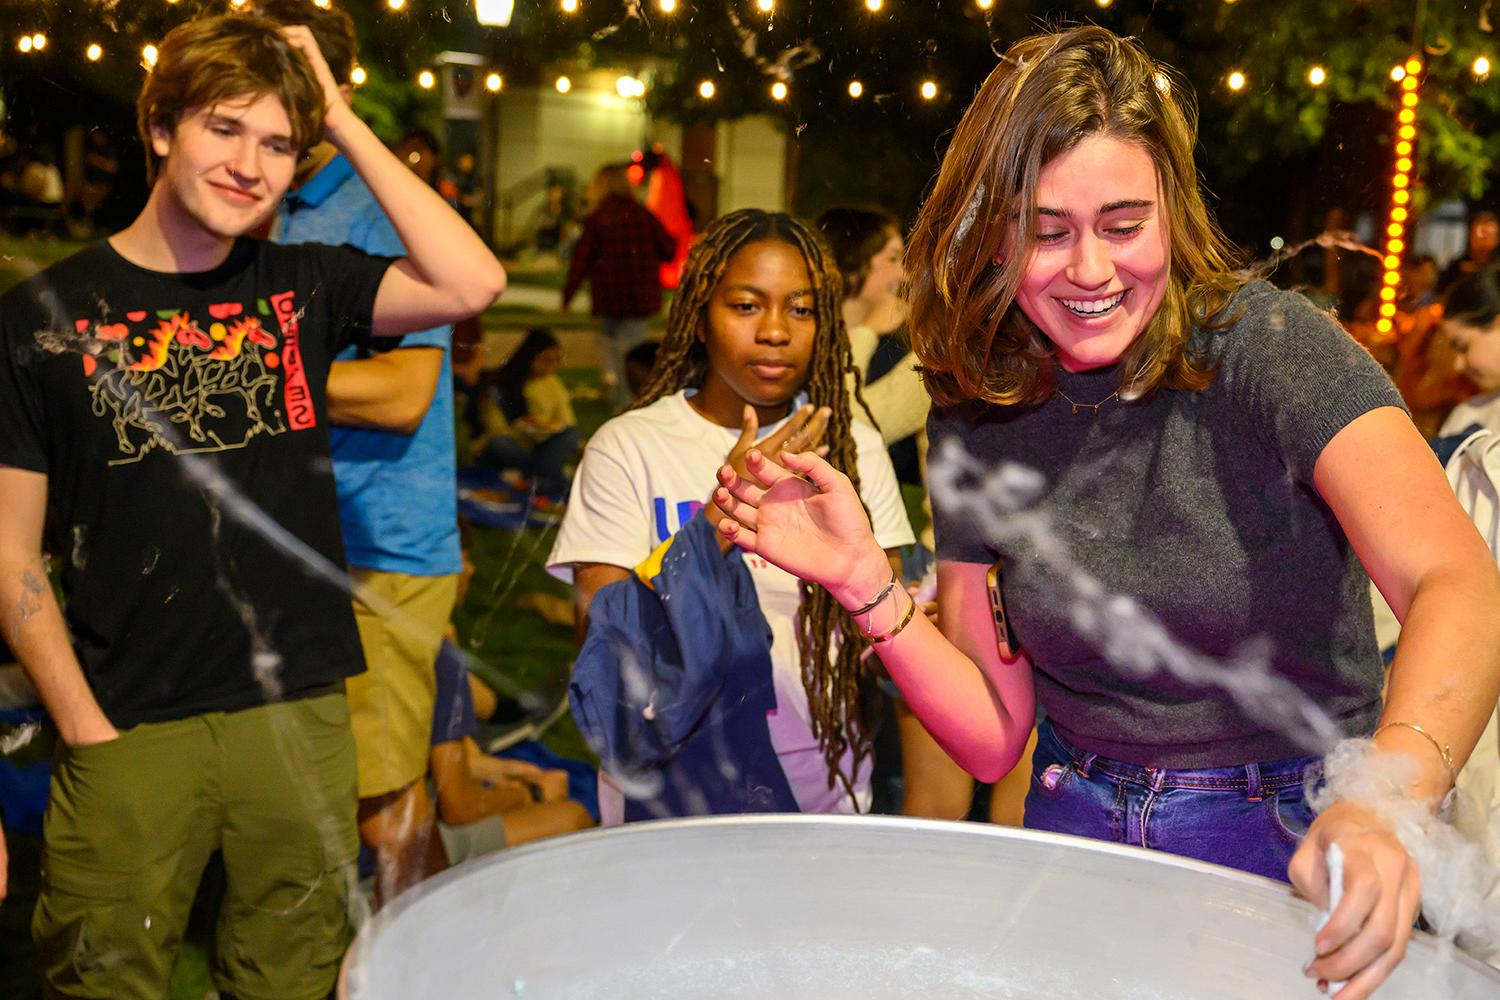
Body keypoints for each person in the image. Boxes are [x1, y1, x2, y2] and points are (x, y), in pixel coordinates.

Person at [711, 26, 1500, 1000]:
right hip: (1073, 825)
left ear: (1173, 210)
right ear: (993, 229)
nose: (1088, 269)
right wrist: (863, 579)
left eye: (1124, 224)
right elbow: (996, 733)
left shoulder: (1273, 348)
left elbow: (1457, 580)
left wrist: (1385, 801)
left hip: (1292, 842)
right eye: (1047, 230)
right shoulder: (980, 404)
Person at [0, 14, 504, 998]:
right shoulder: (42, 317)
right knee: (104, 977)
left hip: (299, 716)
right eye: (225, 129)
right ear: (161, 128)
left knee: (293, 976)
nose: (250, 164)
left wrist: (344, 118)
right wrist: (83, 724)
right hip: (129, 722)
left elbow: (471, 279)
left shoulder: (300, 289)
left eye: (278, 143)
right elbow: (11, 553)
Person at [549, 209, 913, 823]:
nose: (775, 331)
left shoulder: (850, 445)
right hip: (672, 791)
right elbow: (602, 649)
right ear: (698, 315)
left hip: (821, 791)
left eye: (801, 310)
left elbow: (886, 630)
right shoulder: (629, 447)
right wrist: (723, 514)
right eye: (747, 306)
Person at [261, 0, 463, 907]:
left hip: (379, 548)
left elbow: (402, 392)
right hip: (291, 540)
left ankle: (444, 961)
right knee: (310, 797)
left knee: (383, 803)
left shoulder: (374, 206)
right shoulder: (258, 197)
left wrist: (240, 376)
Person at [561, 164, 676, 409]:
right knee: (632, 353)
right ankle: (632, 400)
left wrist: (568, 294)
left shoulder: (599, 218)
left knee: (611, 351)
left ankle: (621, 400)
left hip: (609, 297)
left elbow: (581, 259)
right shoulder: (642, 215)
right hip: (639, 298)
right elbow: (668, 249)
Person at [469, 327, 579, 500]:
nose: (549, 367)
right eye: (544, 361)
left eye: (553, 361)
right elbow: (495, 429)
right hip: (514, 445)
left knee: (572, 434)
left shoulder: (553, 383)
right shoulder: (502, 385)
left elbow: (566, 422)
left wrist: (546, 429)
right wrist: (524, 428)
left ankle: (534, 476)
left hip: (543, 446)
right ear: (528, 357)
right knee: (499, 444)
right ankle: (549, 479)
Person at [1440, 210, 1500, 295]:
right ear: (1470, 236)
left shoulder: (1498, 269)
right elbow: (1442, 294)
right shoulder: (1457, 266)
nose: (1485, 240)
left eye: (1490, 235)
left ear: (1497, 239)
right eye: (1481, 234)